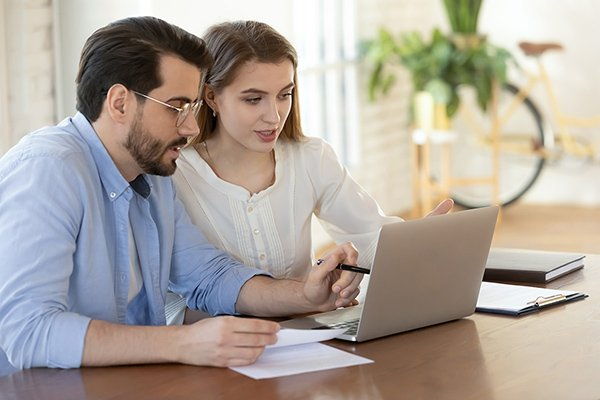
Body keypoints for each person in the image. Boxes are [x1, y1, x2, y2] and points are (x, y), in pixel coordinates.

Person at [0, 16, 363, 376]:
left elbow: (209, 276)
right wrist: (182, 342)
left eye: (192, 109)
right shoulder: (48, 169)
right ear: (120, 103)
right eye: (177, 108)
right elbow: (27, 331)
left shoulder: (152, 173)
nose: (190, 129)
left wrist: (304, 296)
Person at [170, 20, 452, 322]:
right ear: (211, 97)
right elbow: (172, 303)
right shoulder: (174, 175)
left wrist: (415, 243)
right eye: (253, 99)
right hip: (215, 351)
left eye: (284, 94)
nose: (274, 115)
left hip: (306, 339)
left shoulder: (310, 157)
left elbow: (371, 235)